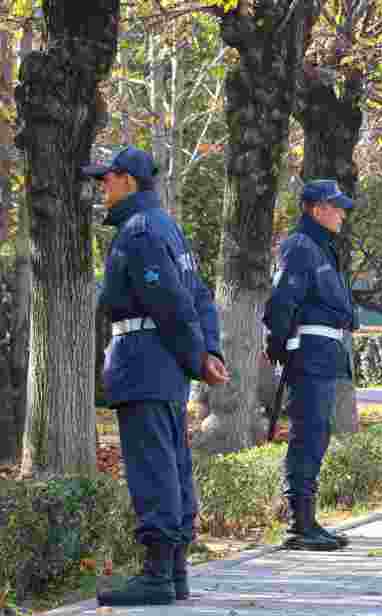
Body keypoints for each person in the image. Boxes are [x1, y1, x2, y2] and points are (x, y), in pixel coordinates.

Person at [85, 147, 229, 606]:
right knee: (171, 461)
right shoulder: (167, 228)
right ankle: (175, 571)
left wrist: (199, 356)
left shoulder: (138, 230)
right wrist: (205, 351)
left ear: (127, 180)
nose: (101, 187)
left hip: (145, 358)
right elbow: (199, 295)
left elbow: (170, 300)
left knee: (152, 466)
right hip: (164, 360)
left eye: (105, 179)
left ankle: (156, 574)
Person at [264, 179, 358, 551]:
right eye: (336, 207)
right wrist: (280, 346)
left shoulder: (320, 247)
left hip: (325, 354)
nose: (342, 214)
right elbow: (282, 301)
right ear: (317, 209)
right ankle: (299, 524)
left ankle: (308, 519)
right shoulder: (301, 246)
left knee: (317, 435)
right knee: (307, 437)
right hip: (308, 354)